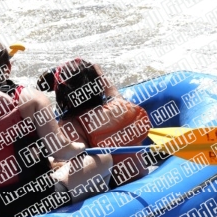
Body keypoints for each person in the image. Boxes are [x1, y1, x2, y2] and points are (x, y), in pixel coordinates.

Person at [0, 41, 113, 217]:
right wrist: (82, 147)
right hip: (35, 200)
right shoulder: (30, 98)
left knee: (49, 163)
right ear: (7, 68)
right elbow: (61, 151)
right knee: (103, 158)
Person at [38, 58, 151, 186]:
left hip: (114, 187)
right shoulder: (121, 105)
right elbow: (112, 91)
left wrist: (53, 163)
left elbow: (77, 165)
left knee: (52, 160)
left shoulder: (72, 125)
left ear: (65, 95)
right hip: (142, 173)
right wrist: (95, 71)